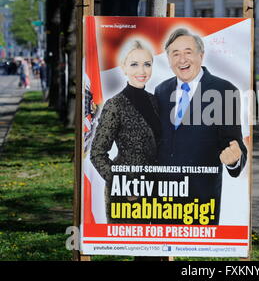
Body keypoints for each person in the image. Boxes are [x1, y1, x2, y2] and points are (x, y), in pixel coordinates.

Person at [154, 28, 247, 225]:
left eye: (188, 52)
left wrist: (234, 160)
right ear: (168, 60)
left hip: (201, 200)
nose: (182, 60)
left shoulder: (224, 91)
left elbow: (234, 144)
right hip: (162, 197)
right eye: (175, 54)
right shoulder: (161, 90)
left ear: (201, 56)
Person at [90, 40, 161, 224]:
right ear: (124, 68)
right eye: (134, 64)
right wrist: (124, 187)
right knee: (136, 248)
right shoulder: (115, 104)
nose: (142, 71)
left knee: (155, 248)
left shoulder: (155, 101)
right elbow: (97, 153)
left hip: (157, 190)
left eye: (147, 64)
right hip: (127, 195)